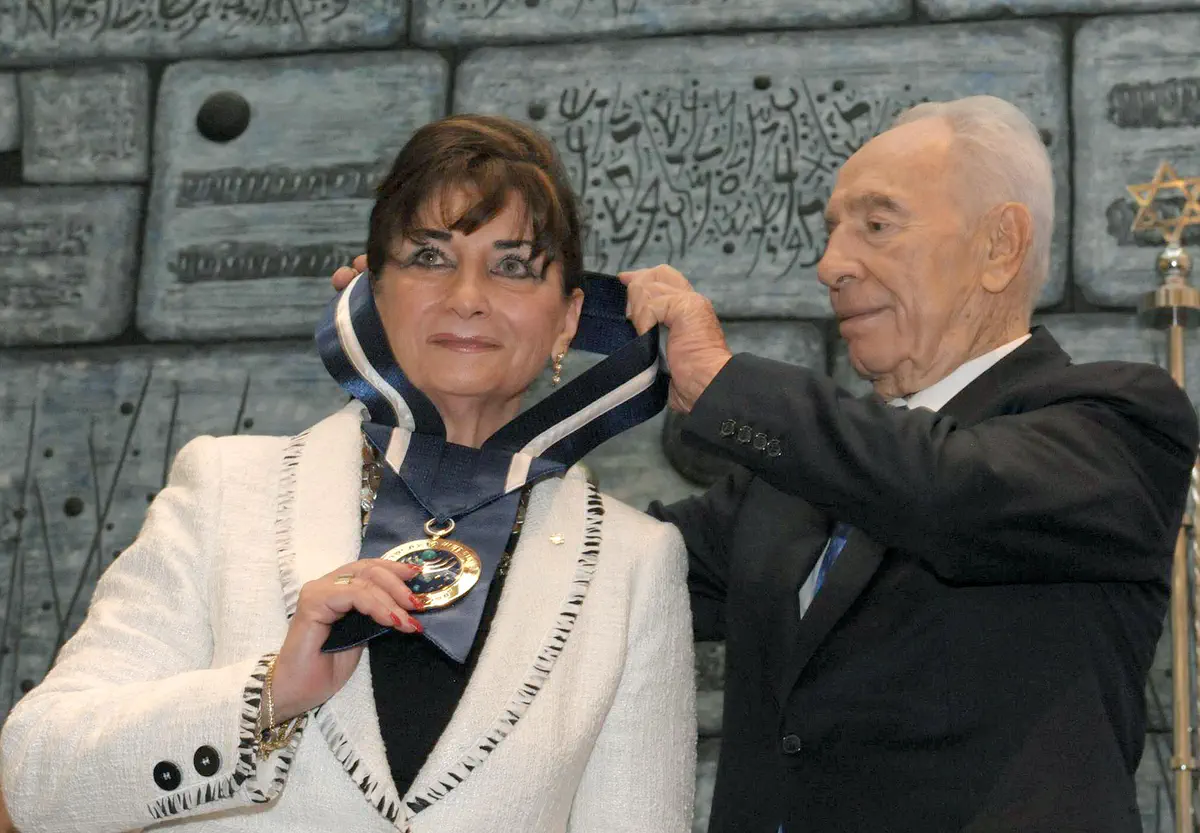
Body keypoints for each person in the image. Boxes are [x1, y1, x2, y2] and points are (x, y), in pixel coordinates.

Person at [331, 96, 1197, 832]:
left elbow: (947, 488)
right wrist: (451, 334)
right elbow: (578, 576)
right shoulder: (789, 487)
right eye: (830, 232)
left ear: (1000, 246)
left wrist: (721, 381)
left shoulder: (1117, 423)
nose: (830, 265)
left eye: (877, 225)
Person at [0, 115, 696, 833]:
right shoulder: (226, 490)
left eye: (513, 265)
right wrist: (269, 695)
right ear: (370, 291)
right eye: (429, 256)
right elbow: (34, 778)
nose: (468, 296)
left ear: (568, 319)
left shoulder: (633, 563)